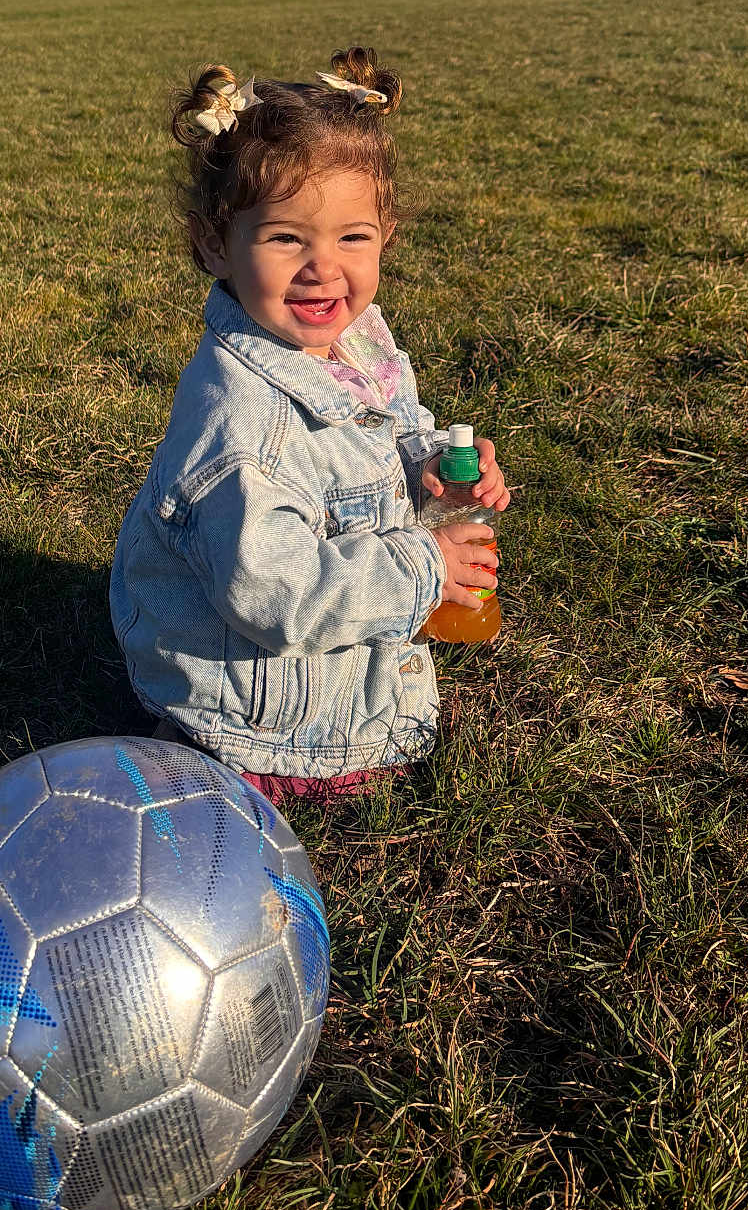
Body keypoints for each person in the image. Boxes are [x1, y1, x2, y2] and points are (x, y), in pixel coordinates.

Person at [110, 46, 511, 806]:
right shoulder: (242, 431)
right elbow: (279, 593)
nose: (323, 268)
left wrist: (432, 462)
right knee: (323, 775)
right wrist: (425, 570)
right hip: (269, 717)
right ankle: (212, 750)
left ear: (386, 234)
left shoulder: (353, 336)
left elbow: (391, 420)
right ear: (212, 243)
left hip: (324, 663)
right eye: (286, 238)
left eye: (352, 238)